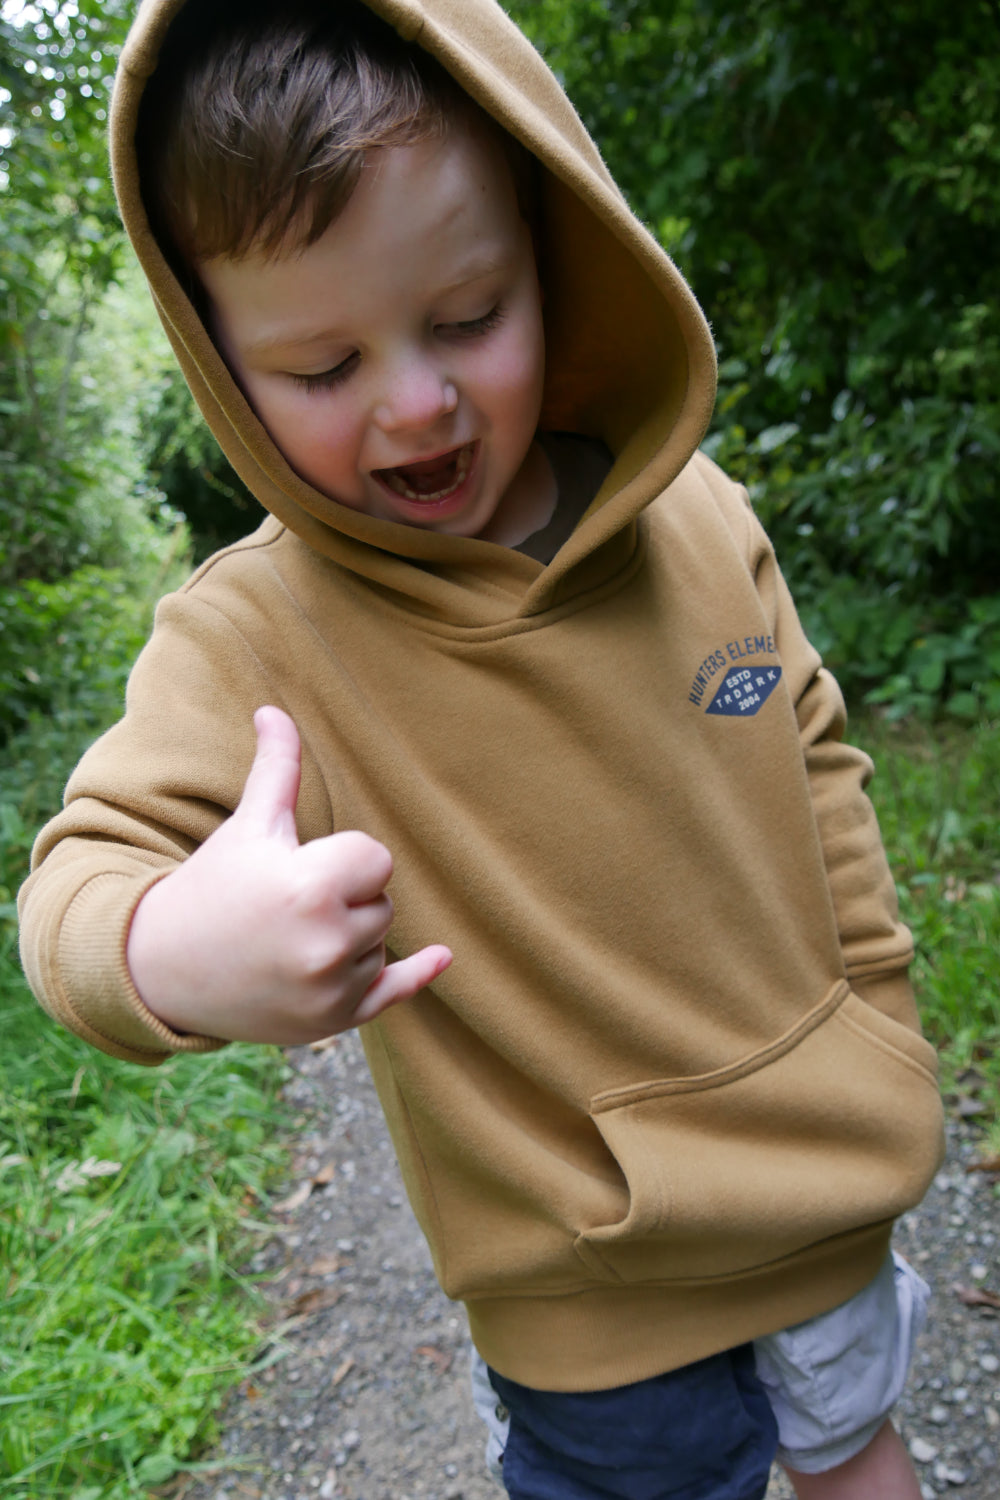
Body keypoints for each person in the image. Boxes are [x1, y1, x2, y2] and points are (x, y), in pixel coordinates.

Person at [18, 1, 945, 1496]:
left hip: (828, 1183)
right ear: (221, 361)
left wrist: (881, 1025)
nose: (416, 399)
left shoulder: (693, 514)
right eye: (321, 367)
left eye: (467, 316)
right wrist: (177, 948)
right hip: (592, 1299)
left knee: (862, 1458)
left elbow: (817, 764)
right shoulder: (252, 632)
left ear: (547, 251)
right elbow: (73, 891)